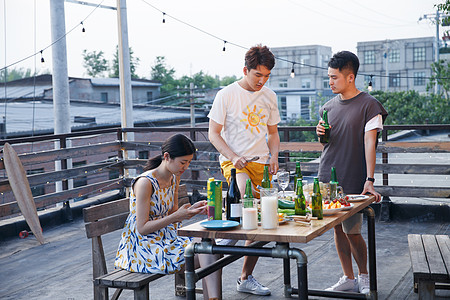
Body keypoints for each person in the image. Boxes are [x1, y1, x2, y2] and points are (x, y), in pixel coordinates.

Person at [208, 44, 281, 296]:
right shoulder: (226, 95)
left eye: (266, 76)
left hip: (262, 164)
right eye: (257, 75)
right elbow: (213, 134)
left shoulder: (270, 96)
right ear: (245, 70)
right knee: (248, 204)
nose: (262, 81)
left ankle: (244, 276)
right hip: (234, 163)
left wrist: (274, 155)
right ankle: (218, 244)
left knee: (262, 223)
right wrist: (233, 156)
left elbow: (273, 133)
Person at [114, 134, 221, 300]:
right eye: (183, 162)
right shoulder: (145, 183)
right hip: (142, 248)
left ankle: (212, 298)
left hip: (167, 238)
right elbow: (142, 228)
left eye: (189, 162)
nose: (185, 167)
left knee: (208, 244)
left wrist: (191, 211)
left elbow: (172, 214)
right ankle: (214, 298)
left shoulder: (173, 177)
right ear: (166, 157)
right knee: (209, 252)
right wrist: (178, 216)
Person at [316, 51, 388, 294]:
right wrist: (321, 134)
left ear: (350, 77)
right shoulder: (327, 107)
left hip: (354, 177)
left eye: (334, 77)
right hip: (328, 175)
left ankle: (363, 276)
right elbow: (327, 144)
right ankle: (347, 277)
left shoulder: (369, 105)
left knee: (353, 231)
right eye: (329, 77)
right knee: (337, 229)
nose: (330, 82)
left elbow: (370, 143)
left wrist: (369, 179)